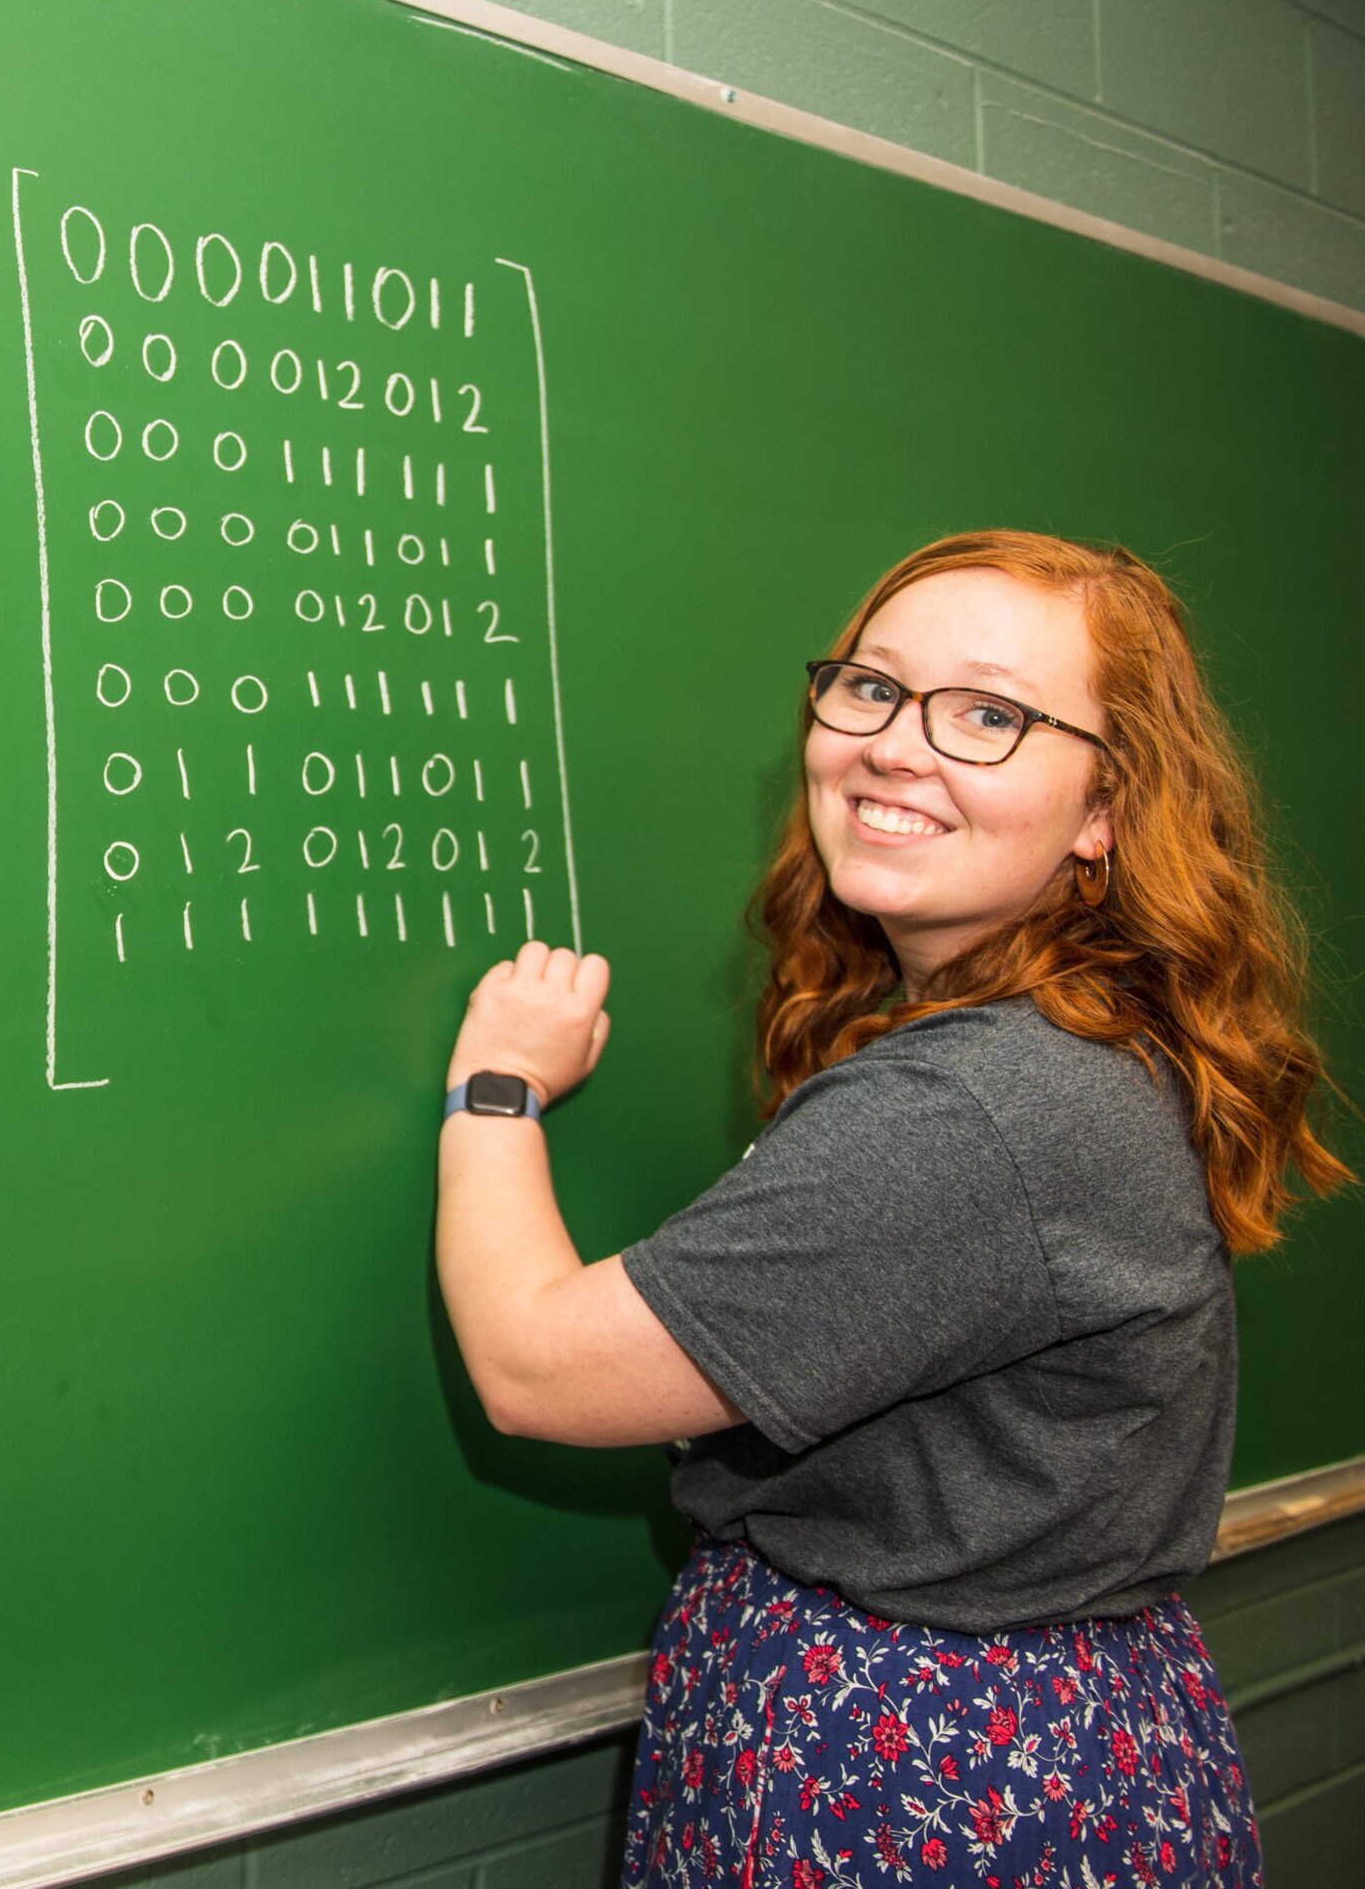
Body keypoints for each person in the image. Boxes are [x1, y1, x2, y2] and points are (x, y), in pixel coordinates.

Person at [433, 530, 1350, 1886]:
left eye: (989, 714)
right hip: (1045, 1735)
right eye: (870, 688)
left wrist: (495, 1085)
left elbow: (535, 1366)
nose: (896, 745)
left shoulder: (977, 1108)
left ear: (1106, 807)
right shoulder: (1089, 1041)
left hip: (915, 1774)